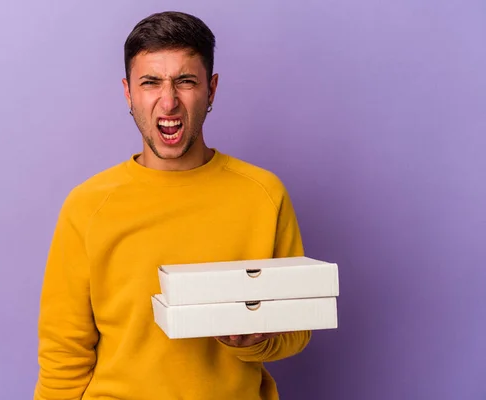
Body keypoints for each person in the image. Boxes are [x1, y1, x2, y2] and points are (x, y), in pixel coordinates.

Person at [34, 11, 311, 400]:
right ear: (129, 93)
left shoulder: (263, 194)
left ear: (211, 90)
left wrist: (253, 339)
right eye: (151, 82)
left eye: (185, 82)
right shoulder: (88, 206)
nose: (169, 101)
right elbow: (63, 354)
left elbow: (297, 330)